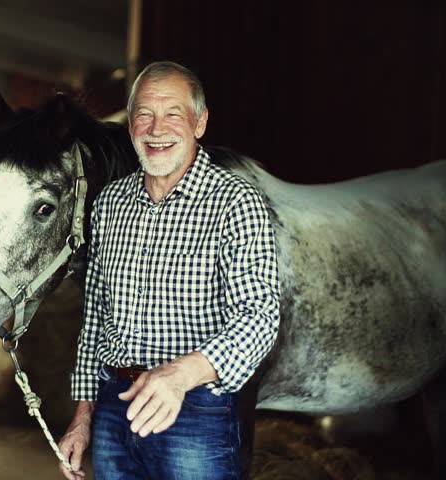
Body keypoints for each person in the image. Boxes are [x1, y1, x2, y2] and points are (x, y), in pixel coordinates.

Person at [57, 61, 280, 480]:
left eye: (173, 114)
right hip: (113, 403)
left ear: (200, 123)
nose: (157, 128)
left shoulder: (236, 203)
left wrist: (178, 376)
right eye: (144, 114)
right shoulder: (110, 203)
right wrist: (83, 417)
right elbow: (95, 320)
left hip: (196, 409)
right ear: (130, 124)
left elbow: (260, 316)